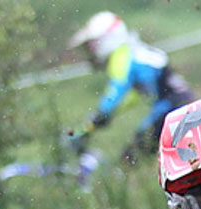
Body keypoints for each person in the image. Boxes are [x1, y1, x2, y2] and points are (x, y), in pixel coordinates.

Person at [67, 11, 194, 164]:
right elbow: (132, 97)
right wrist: (104, 117)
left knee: (132, 157)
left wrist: (94, 121)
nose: (90, 51)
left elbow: (116, 92)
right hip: (179, 105)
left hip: (169, 108)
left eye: (91, 45)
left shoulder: (121, 56)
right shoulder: (134, 51)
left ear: (106, 39)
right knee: (149, 153)